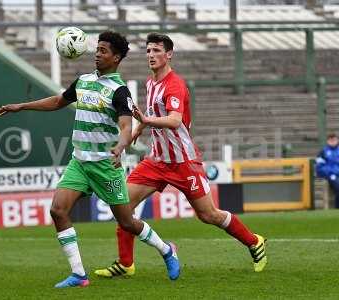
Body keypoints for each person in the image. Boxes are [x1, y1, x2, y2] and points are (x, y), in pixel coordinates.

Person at [0, 31, 180, 288]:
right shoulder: (83, 81)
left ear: (116, 57)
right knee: (58, 210)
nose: (97, 54)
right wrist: (21, 106)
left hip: (106, 166)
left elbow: (126, 126)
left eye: (103, 51)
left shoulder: (119, 91)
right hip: (79, 162)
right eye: (97, 49)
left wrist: (121, 145)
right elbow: (59, 101)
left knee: (127, 222)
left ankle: (166, 250)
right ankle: (79, 275)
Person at [95, 33, 267, 278]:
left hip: (183, 162)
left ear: (169, 54)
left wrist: (145, 120)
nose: (151, 55)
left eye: (156, 51)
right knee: (122, 207)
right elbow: (152, 111)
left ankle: (254, 241)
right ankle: (125, 263)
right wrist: (138, 130)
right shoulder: (151, 82)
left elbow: (175, 121)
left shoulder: (175, 84)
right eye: (148, 51)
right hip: (156, 161)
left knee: (209, 215)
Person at [316, 133, 339, 208]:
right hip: (330, 175)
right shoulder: (323, 152)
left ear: (337, 140)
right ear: (327, 141)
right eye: (331, 140)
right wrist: (331, 173)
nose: (333, 142)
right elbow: (320, 167)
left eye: (334, 140)